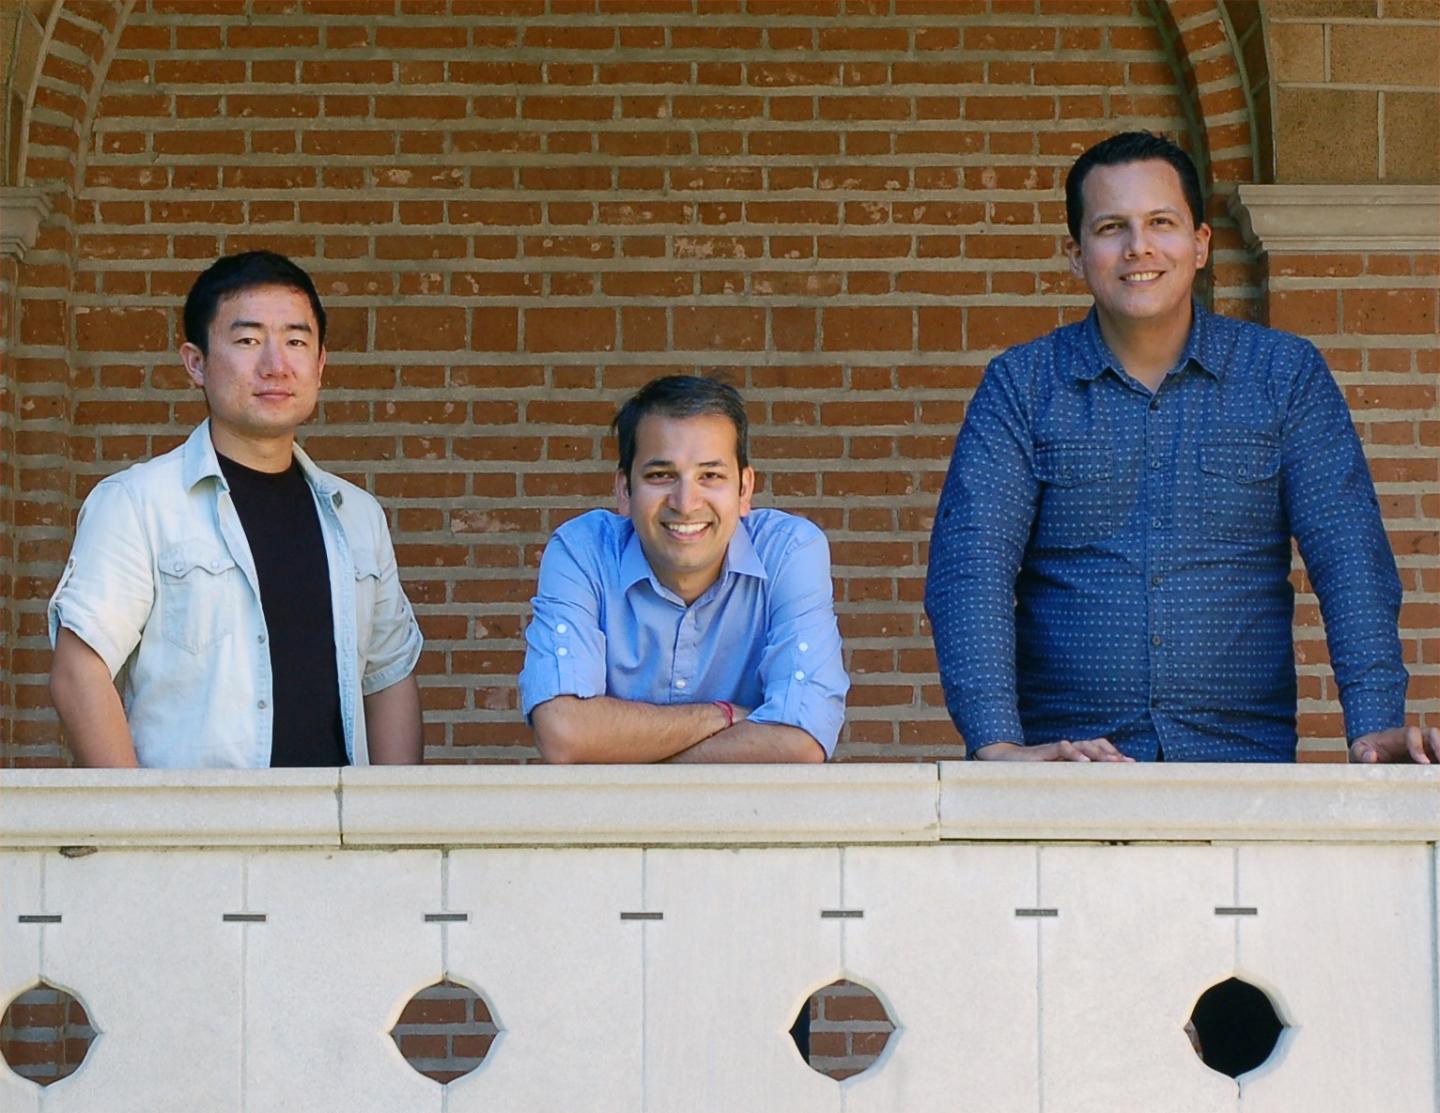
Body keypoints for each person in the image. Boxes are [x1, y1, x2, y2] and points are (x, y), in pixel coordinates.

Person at [925, 131, 1437, 764]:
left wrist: (1374, 725)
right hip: (1068, 766)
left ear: (1200, 244)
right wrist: (997, 747)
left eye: (1160, 222)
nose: (1138, 246)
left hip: (1242, 762)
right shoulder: (1023, 386)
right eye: (1111, 227)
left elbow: (1350, 558)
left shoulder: (1283, 376)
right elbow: (969, 568)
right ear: (1076, 256)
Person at [48, 251, 424, 768]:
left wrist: (392, 816)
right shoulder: (139, 503)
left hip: (340, 819)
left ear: (320, 364)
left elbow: (388, 680)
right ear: (195, 363)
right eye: (247, 340)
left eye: (296, 341)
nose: (275, 365)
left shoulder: (358, 516)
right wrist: (139, 815)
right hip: (194, 819)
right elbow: (79, 672)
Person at [519, 374, 847, 763]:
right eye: (661, 475)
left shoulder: (789, 551)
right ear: (624, 490)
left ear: (744, 489)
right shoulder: (582, 551)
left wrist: (624, 754)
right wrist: (724, 715)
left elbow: (801, 742)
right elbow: (564, 733)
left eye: (710, 476)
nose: (686, 502)